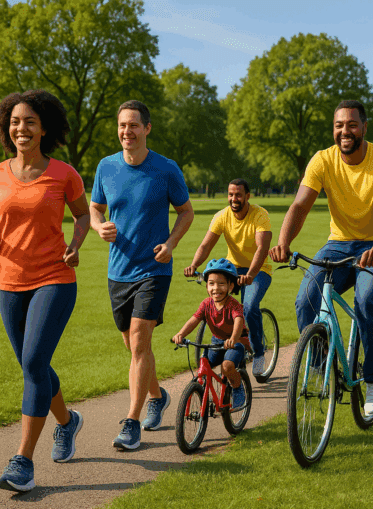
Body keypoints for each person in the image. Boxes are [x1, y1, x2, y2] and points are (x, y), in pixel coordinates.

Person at [269, 99, 373, 418]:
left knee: (367, 300)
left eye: (352, 125)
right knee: (305, 300)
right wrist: (284, 242)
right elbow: (300, 205)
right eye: (339, 125)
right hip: (338, 244)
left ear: (364, 128)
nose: (345, 131)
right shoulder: (322, 160)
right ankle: (321, 367)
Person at [90, 100, 194, 450]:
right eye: (122, 125)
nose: (127, 132)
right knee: (133, 345)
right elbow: (95, 207)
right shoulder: (106, 167)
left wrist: (171, 243)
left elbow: (186, 211)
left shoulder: (166, 168)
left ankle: (131, 422)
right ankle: (158, 397)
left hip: (154, 268)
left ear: (147, 128)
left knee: (138, 340)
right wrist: (98, 226)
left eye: (134, 125)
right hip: (118, 270)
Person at [0, 90, 90, 492]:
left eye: (30, 122)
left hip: (54, 278)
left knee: (34, 361)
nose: (21, 128)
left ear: (43, 129)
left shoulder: (64, 174)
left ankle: (22, 462)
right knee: (32, 366)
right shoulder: (0, 174)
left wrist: (76, 244)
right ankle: (68, 422)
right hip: (8, 283)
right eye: (15, 122)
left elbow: (82, 215)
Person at [185, 178, 272, 379]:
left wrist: (250, 275)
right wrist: (194, 265)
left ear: (247, 196)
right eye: (231, 194)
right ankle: (230, 345)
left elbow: (262, 247)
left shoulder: (260, 215)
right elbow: (206, 245)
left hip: (258, 269)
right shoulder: (221, 216)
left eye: (238, 195)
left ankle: (258, 353)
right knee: (218, 303)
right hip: (233, 268)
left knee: (249, 306)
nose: (234, 199)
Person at [173, 259, 249, 409]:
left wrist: (233, 339)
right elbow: (194, 320)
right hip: (217, 341)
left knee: (227, 366)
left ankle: (238, 388)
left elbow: (239, 322)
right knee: (204, 364)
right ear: (207, 285)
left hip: (236, 342)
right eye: (211, 283)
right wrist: (181, 334)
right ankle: (203, 390)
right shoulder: (206, 304)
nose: (216, 288)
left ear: (230, 286)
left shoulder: (233, 305)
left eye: (221, 284)